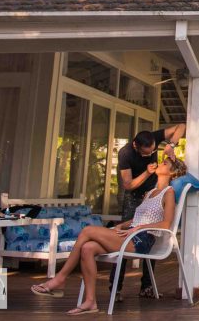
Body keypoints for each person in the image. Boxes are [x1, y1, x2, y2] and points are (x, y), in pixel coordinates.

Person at [30, 157, 187, 315]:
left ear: (172, 173)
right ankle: (90, 302)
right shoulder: (151, 192)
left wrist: (137, 228)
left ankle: (60, 278)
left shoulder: (169, 193)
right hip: (130, 233)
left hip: (141, 239)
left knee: (88, 231)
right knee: (87, 248)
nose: (161, 163)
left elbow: (166, 224)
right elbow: (139, 217)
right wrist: (122, 225)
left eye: (165, 164)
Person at [112, 123, 184, 299]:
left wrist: (171, 145)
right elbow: (128, 185)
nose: (152, 155)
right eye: (147, 153)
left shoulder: (153, 138)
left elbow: (181, 126)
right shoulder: (126, 154)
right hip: (135, 196)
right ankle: (116, 288)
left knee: (150, 237)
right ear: (137, 146)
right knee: (122, 238)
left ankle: (146, 286)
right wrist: (146, 173)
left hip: (153, 195)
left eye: (154, 151)